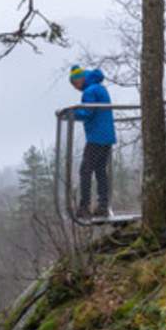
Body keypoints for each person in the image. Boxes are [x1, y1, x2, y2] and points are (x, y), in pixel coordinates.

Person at [63, 65, 116, 217]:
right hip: (106, 137)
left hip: (96, 137)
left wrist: (72, 113)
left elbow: (87, 112)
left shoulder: (90, 91)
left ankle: (84, 206)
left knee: (85, 171)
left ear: (80, 79)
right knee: (100, 171)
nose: (75, 88)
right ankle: (103, 206)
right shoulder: (99, 88)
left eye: (75, 84)